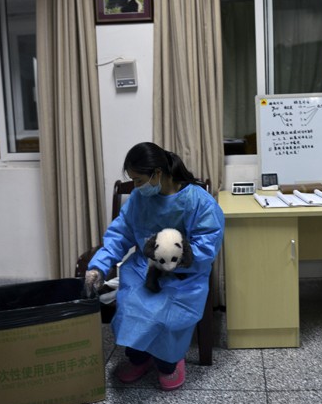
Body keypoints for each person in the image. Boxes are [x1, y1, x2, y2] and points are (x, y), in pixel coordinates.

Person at [84, 142, 224, 391]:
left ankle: (169, 362)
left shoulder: (198, 202)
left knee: (165, 318)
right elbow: (119, 234)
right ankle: (139, 358)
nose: (135, 187)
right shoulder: (139, 199)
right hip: (143, 270)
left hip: (184, 276)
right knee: (130, 308)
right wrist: (99, 267)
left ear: (157, 173)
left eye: (138, 180)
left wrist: (172, 255)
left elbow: (205, 249)